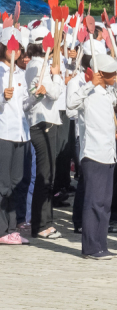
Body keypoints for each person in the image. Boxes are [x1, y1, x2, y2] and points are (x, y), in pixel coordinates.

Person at [69, 54, 117, 259]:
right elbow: (70, 106)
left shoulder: (106, 93)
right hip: (93, 154)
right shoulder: (88, 93)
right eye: (112, 72)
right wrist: (89, 84)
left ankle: (101, 244)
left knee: (105, 203)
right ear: (101, 73)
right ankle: (91, 247)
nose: (116, 74)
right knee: (93, 202)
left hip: (108, 154)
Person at [26, 26, 65, 239]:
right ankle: (40, 224)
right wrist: (57, 77)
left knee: (49, 173)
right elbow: (54, 92)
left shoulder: (39, 64)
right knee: (44, 174)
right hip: (42, 123)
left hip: (46, 121)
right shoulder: (38, 65)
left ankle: (46, 221)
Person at [0, 28, 31, 245]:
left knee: (17, 181)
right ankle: (3, 229)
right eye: (13, 47)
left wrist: (37, 97)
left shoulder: (20, 73)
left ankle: (13, 227)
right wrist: (2, 97)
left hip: (21, 134)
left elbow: (25, 105)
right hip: (3, 134)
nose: (17, 51)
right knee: (3, 185)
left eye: (19, 47)